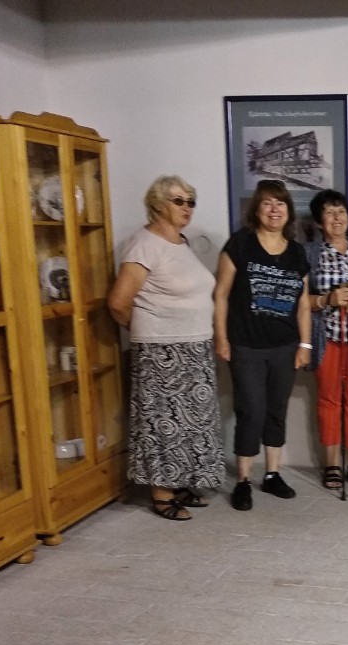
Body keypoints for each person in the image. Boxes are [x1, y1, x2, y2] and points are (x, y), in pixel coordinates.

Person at [108, 175, 222, 521]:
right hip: (162, 353)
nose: (187, 208)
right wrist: (148, 330)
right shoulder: (144, 244)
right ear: (157, 204)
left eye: (190, 202)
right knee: (163, 423)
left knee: (191, 423)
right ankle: (161, 493)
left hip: (195, 347)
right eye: (179, 201)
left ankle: (181, 483)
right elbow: (118, 303)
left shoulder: (180, 243)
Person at [213, 180, 312, 511]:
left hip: (285, 346)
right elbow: (221, 294)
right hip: (246, 345)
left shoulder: (296, 252)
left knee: (275, 410)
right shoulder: (240, 244)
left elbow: (303, 304)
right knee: (251, 410)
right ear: (256, 210)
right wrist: (222, 338)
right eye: (267, 203)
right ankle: (243, 479)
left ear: (288, 211)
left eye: (280, 203)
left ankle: (272, 474)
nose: (274, 209)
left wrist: (305, 344)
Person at [304, 189, 348, 492]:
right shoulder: (309, 253)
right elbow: (299, 300)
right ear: (319, 222)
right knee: (329, 400)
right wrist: (327, 300)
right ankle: (332, 464)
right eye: (329, 213)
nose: (336, 218)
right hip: (328, 336)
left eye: (341, 211)